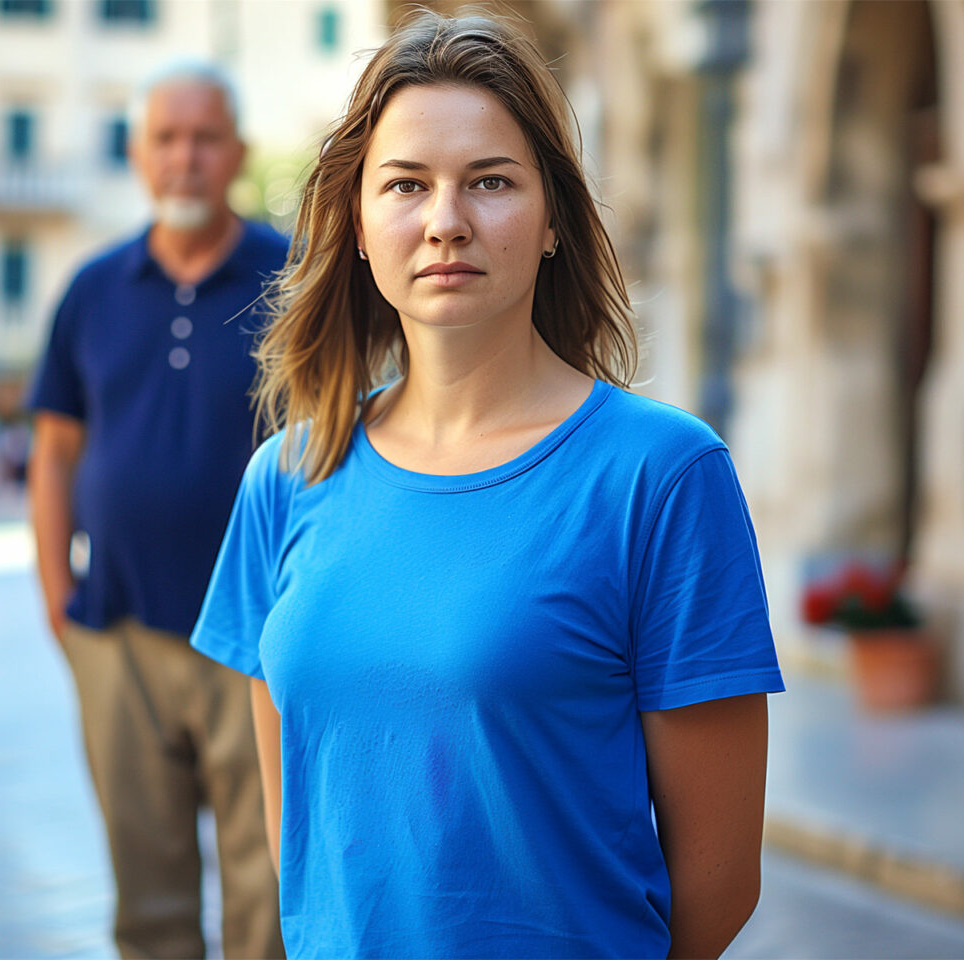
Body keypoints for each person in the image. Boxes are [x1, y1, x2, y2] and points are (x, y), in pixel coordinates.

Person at [191, 12, 784, 960]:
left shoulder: (662, 477)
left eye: (491, 182)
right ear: (356, 223)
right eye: (406, 185)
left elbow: (719, 885)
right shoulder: (285, 480)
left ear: (552, 220)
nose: (445, 222)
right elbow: (299, 837)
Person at [27, 63, 287, 959]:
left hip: (261, 636)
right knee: (148, 895)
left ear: (238, 154)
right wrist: (58, 598)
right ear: (139, 155)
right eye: (166, 140)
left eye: (204, 139)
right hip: (121, 629)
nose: (186, 159)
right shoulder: (92, 290)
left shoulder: (295, 279)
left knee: (269, 892)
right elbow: (55, 454)